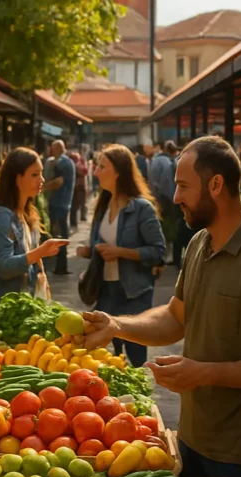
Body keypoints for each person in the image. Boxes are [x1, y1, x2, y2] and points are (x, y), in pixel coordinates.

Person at [81, 136, 241, 477]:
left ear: (215, 184)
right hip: (194, 436)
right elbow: (176, 317)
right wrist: (117, 325)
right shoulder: (201, 242)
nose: (175, 198)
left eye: (183, 186)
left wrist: (205, 373)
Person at [76, 144, 165, 368]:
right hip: (105, 291)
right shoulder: (102, 206)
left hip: (133, 293)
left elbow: (158, 251)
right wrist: (90, 251)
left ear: (118, 172)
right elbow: (102, 245)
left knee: (136, 356)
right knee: (106, 356)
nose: (96, 172)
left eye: (102, 166)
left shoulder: (141, 208)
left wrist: (120, 253)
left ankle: (140, 391)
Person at [0, 148, 67, 309]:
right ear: (17, 178)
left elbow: (29, 258)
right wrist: (40, 252)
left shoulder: (29, 214)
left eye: (41, 173)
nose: (42, 179)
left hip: (17, 306)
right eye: (34, 175)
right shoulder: (1, 216)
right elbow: (4, 267)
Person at [40, 139, 75, 274]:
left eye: (53, 148)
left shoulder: (63, 162)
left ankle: (60, 266)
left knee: (59, 234)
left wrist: (42, 188)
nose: (51, 151)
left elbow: (58, 182)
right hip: (61, 203)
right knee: (59, 234)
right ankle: (60, 266)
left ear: (59, 148)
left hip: (59, 204)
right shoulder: (62, 161)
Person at [149, 141, 183, 263]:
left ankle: (160, 253)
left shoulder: (154, 160)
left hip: (155, 199)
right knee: (169, 227)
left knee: (158, 226)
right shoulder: (168, 162)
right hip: (167, 200)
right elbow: (168, 184)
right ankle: (168, 254)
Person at [70, 151, 88, 230]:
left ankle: (81, 218)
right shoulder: (73, 165)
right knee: (74, 206)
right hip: (75, 188)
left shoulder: (79, 165)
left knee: (80, 204)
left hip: (80, 187)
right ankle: (74, 223)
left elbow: (85, 171)